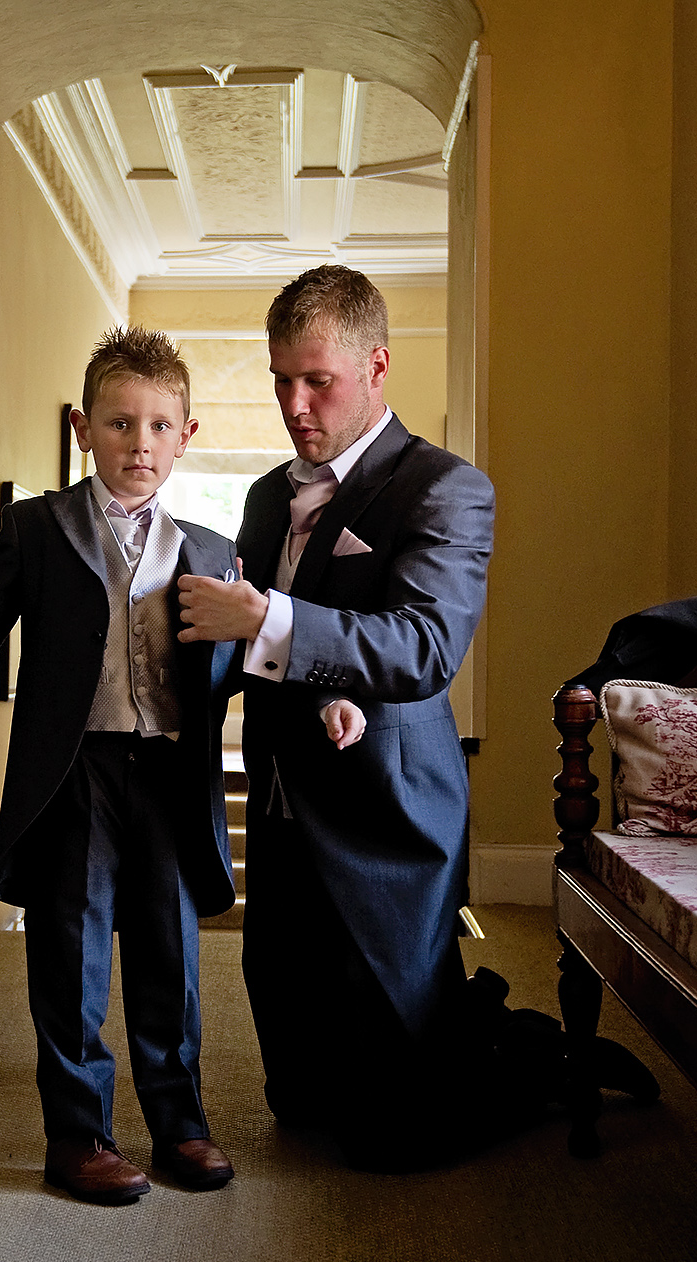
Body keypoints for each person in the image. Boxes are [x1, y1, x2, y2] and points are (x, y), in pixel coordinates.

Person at [0, 328, 242, 1205]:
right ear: (84, 428)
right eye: (121, 423)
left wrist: (324, 697)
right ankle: (79, 1134)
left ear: (187, 433)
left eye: (160, 425)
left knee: (169, 955)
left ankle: (181, 1123)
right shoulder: (38, 527)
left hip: (169, 769)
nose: (141, 443)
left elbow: (248, 658)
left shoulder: (209, 549)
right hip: (75, 770)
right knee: (72, 951)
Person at [176, 266, 499, 1168]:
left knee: (398, 1124)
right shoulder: (267, 497)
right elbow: (243, 642)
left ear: (378, 365)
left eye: (317, 379)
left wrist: (266, 618)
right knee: (298, 1091)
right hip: (283, 795)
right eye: (281, 378)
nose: (294, 402)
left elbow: (425, 646)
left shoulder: (446, 487)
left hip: (385, 809)